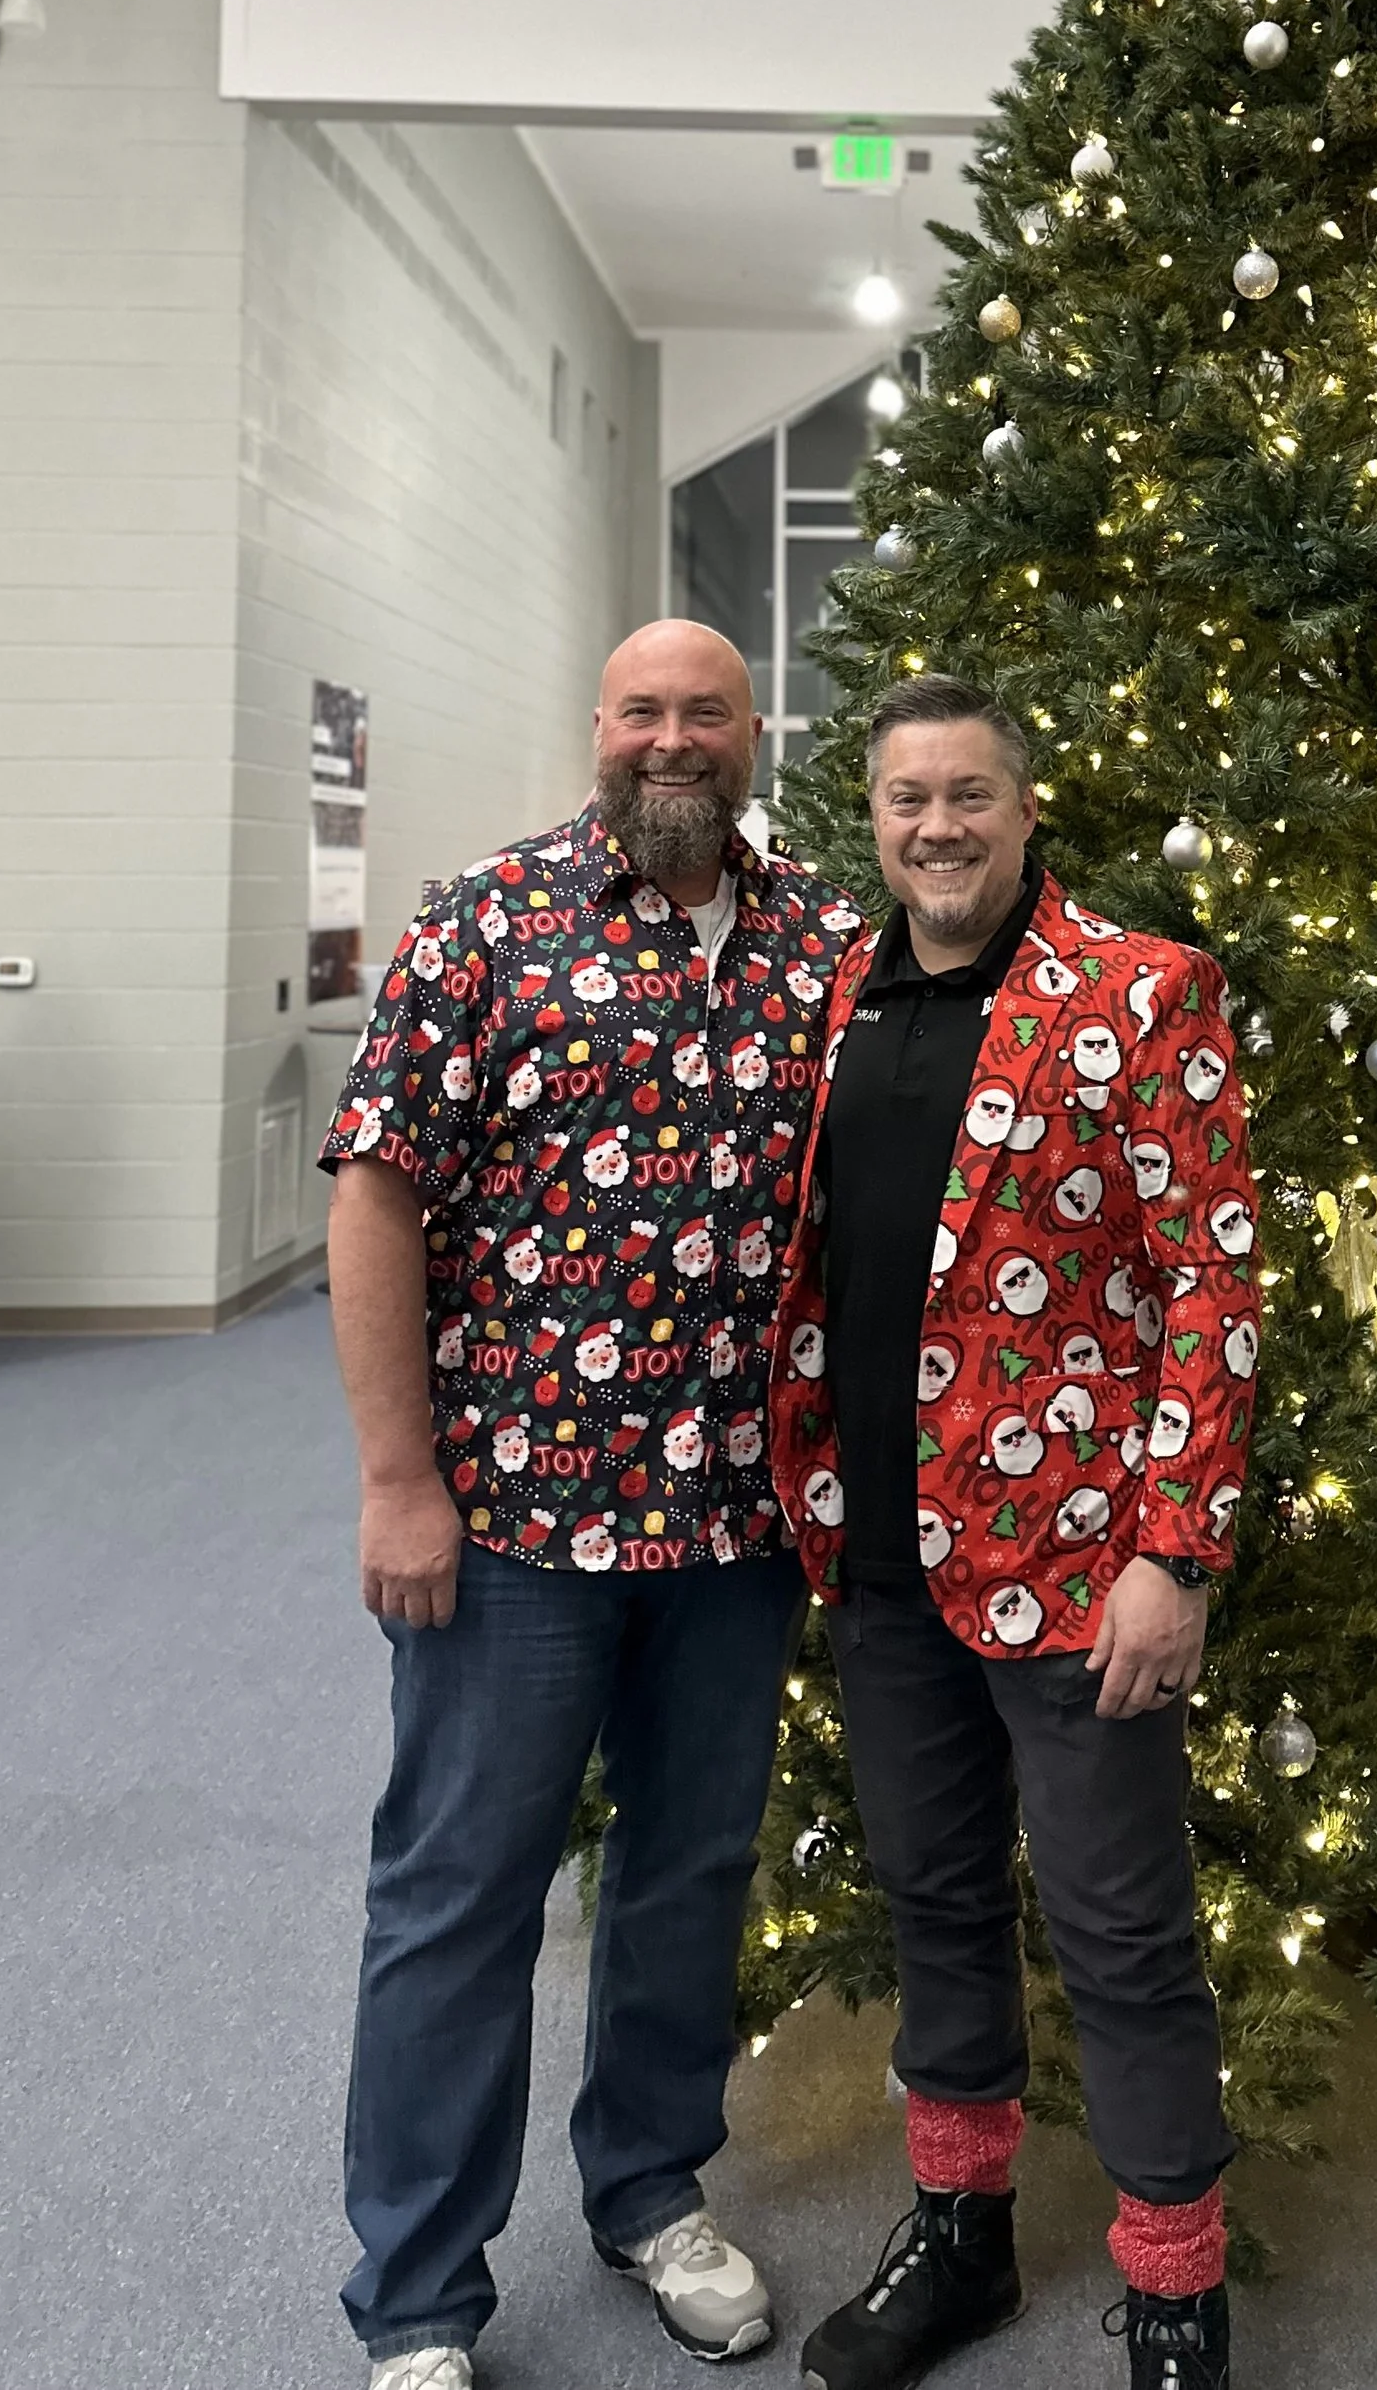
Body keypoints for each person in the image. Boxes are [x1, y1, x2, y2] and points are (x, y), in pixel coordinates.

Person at [321, 621, 864, 2390]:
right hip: (514, 1524)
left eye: (707, 709)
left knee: (689, 1877)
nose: (675, 738)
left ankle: (648, 2185)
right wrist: (399, 1478)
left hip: (734, 1528)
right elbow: (380, 1202)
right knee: (460, 1891)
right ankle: (417, 2293)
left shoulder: (822, 943)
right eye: (645, 710)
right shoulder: (482, 924)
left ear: (753, 729)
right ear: (601, 731)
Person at [771, 675, 1258, 2390]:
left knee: (1125, 1932)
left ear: (1026, 806)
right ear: (877, 817)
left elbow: (1212, 1282)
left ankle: (1178, 2293)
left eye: (969, 793)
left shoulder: (1139, 991)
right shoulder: (836, 996)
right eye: (908, 798)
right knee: (936, 1898)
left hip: (1083, 1568)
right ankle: (963, 2238)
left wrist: (1173, 1551)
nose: (937, 826)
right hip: (886, 1559)